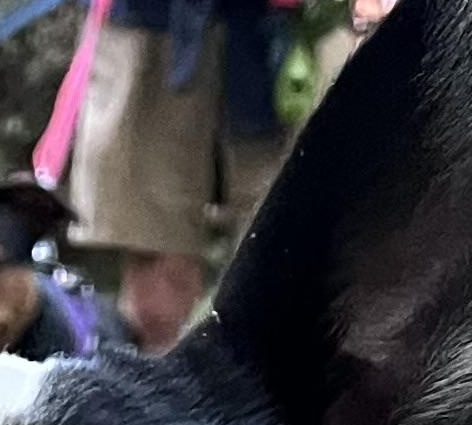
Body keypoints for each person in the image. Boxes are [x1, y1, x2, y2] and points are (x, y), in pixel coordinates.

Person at [54, 0, 385, 350]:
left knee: (304, 275)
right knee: (155, 297)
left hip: (298, 34)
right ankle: (157, 395)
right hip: (153, 28)